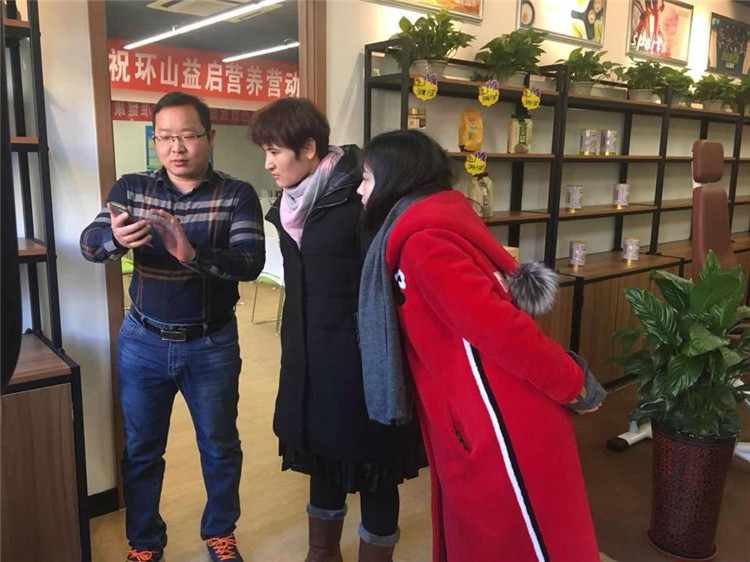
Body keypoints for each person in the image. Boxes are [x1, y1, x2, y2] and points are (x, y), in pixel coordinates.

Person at [357, 130, 602, 561]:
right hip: (480, 418)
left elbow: (504, 332)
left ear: (394, 178)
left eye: (366, 178)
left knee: (519, 542)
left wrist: (573, 383)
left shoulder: (424, 244)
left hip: (498, 423)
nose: (360, 190)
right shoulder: (434, 225)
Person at [80, 91, 265, 562]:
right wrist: (113, 240)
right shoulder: (132, 188)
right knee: (141, 449)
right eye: (164, 137)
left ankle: (220, 532)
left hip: (211, 342)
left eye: (187, 136)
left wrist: (192, 254)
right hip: (142, 341)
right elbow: (89, 243)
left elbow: (250, 261)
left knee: (219, 445)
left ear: (210, 137)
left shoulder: (236, 193)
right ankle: (145, 542)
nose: (176, 148)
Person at [249, 98, 424, 562]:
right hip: (309, 354)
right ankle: (321, 553)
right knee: (321, 454)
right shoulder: (292, 203)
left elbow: (391, 278)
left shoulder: (360, 197)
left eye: (274, 152)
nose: (268, 164)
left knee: (375, 467)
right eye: (265, 152)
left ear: (309, 148)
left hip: (362, 359)